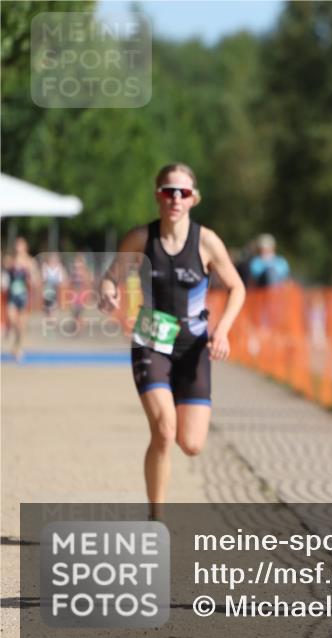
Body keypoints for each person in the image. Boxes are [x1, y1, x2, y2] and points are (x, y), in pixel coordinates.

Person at [99, 163, 245, 520]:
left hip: (193, 347)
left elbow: (237, 287)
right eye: (168, 192)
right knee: (164, 430)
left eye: (183, 193)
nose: (175, 199)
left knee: (191, 444)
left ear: (194, 198)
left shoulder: (207, 242)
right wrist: (108, 291)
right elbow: (111, 277)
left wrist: (223, 330)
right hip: (150, 341)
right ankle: (157, 516)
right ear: (158, 196)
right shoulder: (140, 239)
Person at [4, 237, 40, 362]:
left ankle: (17, 348)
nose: (18, 248)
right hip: (12, 296)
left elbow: (35, 280)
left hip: (24, 296)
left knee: (21, 326)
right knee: (12, 319)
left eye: (20, 245)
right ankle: (10, 331)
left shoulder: (30, 261)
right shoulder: (11, 260)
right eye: (16, 245)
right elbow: (5, 268)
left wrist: (31, 277)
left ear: (25, 247)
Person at [40, 253, 66, 318]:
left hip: (56, 287)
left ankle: (52, 313)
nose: (53, 261)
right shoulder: (45, 266)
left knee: (53, 300)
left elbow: (61, 278)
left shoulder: (59, 267)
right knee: (49, 300)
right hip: (48, 287)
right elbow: (44, 278)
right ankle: (49, 313)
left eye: (55, 259)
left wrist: (60, 283)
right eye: (52, 259)